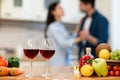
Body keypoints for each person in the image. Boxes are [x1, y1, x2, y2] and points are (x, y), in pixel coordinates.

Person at [45, 2, 82, 66]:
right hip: (56, 62)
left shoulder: (60, 25)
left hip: (63, 61)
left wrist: (77, 28)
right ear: (53, 12)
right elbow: (64, 43)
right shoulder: (52, 27)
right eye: (60, 8)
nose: (62, 9)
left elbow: (69, 40)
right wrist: (80, 38)